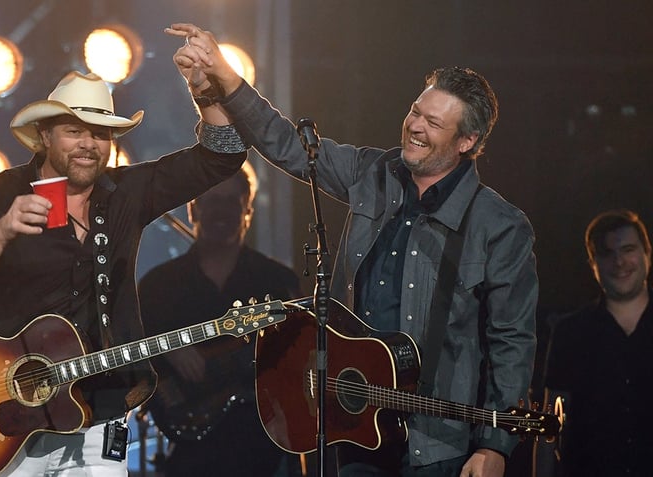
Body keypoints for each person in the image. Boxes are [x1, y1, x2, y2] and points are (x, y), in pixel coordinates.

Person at [163, 23, 538, 477]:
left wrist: (495, 447)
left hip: (440, 445)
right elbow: (286, 144)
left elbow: (512, 343)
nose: (415, 126)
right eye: (416, 111)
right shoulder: (372, 173)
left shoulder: (499, 225)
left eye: (433, 123)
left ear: (467, 142)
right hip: (356, 427)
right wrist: (225, 77)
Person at [0, 70, 247, 476]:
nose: (88, 145)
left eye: (100, 134)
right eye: (74, 131)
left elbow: (224, 155)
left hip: (98, 408)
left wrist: (206, 92)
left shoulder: (127, 192)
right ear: (45, 136)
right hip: (7, 412)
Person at [138, 161, 304, 477]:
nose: (222, 212)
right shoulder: (157, 286)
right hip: (189, 449)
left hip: (265, 448)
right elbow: (129, 351)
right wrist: (167, 350)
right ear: (193, 210)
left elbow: (299, 359)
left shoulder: (278, 281)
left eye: (232, 202)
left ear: (248, 212)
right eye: (212, 201)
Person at [534, 209, 652, 477]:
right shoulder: (570, 331)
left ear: (647, 252)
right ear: (593, 264)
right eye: (607, 253)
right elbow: (549, 426)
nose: (619, 261)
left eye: (628, 249)